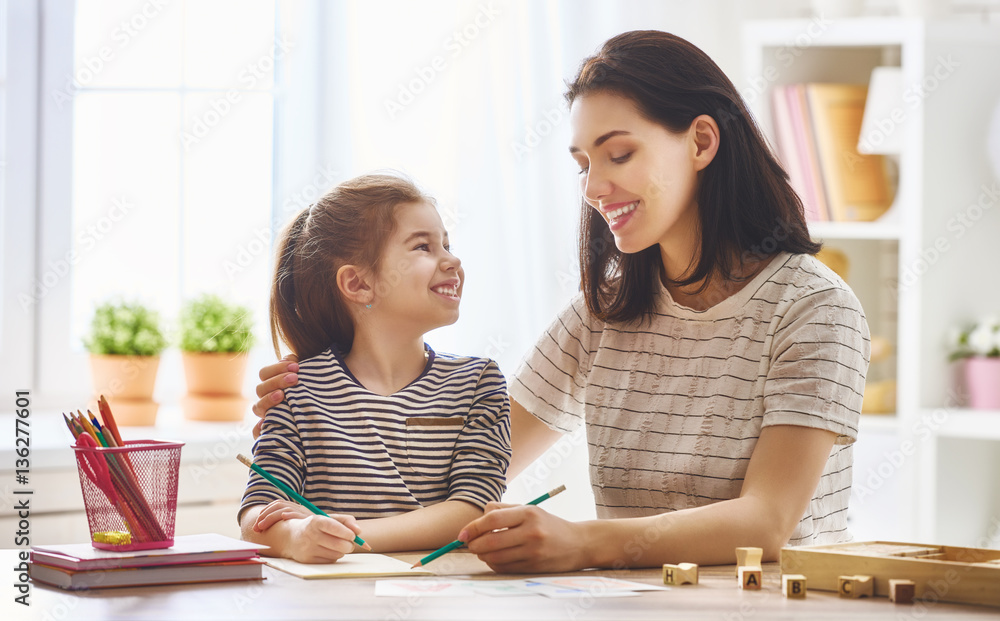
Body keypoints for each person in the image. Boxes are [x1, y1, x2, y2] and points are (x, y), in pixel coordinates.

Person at [251, 31, 870, 573]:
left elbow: (767, 522)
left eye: (619, 154)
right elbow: (458, 467)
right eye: (583, 164)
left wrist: (581, 542)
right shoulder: (605, 311)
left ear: (702, 142)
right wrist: (331, 396)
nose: (596, 188)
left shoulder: (813, 308)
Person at [239, 173, 511, 563]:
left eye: (447, 244)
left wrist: (351, 537)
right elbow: (257, 512)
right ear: (358, 284)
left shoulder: (477, 383)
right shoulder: (297, 390)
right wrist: (296, 536)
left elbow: (472, 508)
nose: (453, 260)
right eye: (424, 247)